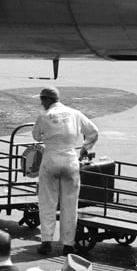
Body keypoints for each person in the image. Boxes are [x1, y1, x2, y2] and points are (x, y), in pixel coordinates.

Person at [32, 87, 99, 257]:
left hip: (51, 160)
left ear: (47, 99)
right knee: (70, 205)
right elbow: (93, 131)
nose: (41, 103)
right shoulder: (75, 113)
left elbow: (36, 137)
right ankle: (68, 244)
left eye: (42, 100)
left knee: (47, 202)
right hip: (70, 160)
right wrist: (85, 148)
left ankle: (46, 241)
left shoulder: (44, 116)